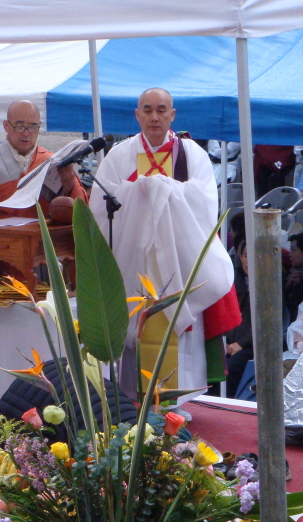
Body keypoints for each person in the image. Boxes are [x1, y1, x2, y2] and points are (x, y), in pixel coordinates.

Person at [90, 88, 239, 411]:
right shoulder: (119, 155)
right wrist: (138, 192)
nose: (154, 117)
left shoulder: (191, 153)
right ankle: (132, 401)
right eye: (147, 110)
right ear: (137, 115)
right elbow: (101, 207)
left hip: (179, 257)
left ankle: (174, 402)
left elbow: (205, 202)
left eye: (161, 110)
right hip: (135, 257)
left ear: (173, 115)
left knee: (178, 329)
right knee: (136, 326)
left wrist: (161, 189)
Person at [0, 100, 86, 219]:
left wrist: (69, 185)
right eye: (20, 126)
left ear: (39, 126)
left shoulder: (51, 162)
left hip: (42, 235)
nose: (26, 133)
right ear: (6, 126)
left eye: (32, 127)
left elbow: (79, 212)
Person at [226, 236, 253, 399]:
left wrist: (241, 344)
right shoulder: (235, 280)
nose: (249, 261)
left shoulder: (270, 286)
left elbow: (264, 324)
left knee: (231, 367)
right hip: (231, 341)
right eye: (246, 255)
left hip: (253, 344)